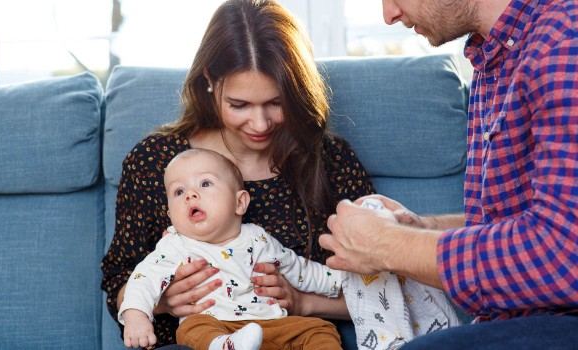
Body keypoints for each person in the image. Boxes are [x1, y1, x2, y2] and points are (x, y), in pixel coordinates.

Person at [100, 0, 376, 348]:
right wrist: (164, 301)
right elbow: (117, 281)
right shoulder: (156, 161)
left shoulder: (330, 160)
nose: (260, 124)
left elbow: (381, 287)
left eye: (277, 103)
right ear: (209, 82)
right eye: (240, 105)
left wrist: (304, 303)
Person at [319, 0, 578, 349]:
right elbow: (518, 224)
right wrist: (421, 229)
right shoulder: (494, 59)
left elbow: (563, 253)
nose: (388, 15)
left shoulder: (565, 40)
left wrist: (387, 245)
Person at [120, 148, 343, 349]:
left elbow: (299, 268)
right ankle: (225, 346)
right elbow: (143, 279)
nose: (190, 195)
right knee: (190, 330)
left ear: (240, 203)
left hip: (271, 323)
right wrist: (136, 315)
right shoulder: (175, 245)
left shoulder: (258, 238)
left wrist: (340, 280)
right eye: (178, 192)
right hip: (213, 324)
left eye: (205, 183)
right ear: (170, 216)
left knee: (320, 329)